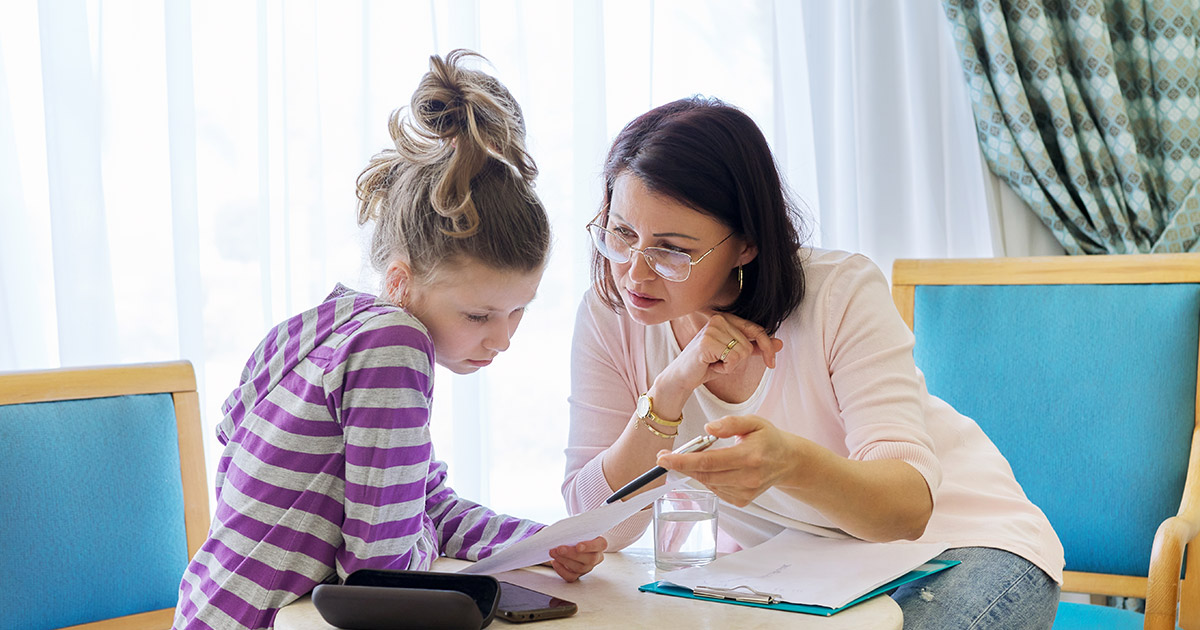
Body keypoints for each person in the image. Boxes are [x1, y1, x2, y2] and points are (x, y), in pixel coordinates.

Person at [563, 96, 1063, 629]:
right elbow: (599, 527)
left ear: (746, 245)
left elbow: (908, 510)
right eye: (621, 234)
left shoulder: (839, 294)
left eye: (672, 250)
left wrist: (792, 464)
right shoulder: (610, 314)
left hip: (966, 544)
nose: (635, 274)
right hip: (812, 569)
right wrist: (668, 390)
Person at [174, 50, 605, 630]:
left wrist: (538, 540)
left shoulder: (323, 327)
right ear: (400, 280)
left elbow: (423, 503)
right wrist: (430, 543)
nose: (502, 339)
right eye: (479, 316)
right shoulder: (394, 347)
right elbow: (381, 574)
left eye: (518, 312)